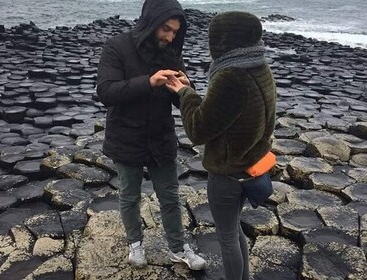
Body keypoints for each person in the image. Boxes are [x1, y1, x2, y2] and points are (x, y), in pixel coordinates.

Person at [165, 11, 276, 280]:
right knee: (233, 230)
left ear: (223, 40)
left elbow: (198, 130)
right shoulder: (260, 67)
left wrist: (184, 93)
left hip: (228, 172)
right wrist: (191, 92)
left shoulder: (230, 75)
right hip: (251, 166)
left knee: (227, 237)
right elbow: (225, 113)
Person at [96, 0, 206, 270]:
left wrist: (186, 90)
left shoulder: (171, 52)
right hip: (126, 135)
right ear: (150, 22)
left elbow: (182, 103)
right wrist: (149, 82)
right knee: (129, 196)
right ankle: (136, 245)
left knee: (170, 196)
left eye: (175, 32)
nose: (170, 37)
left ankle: (178, 249)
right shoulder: (117, 46)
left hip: (160, 137)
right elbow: (106, 92)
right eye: (166, 29)